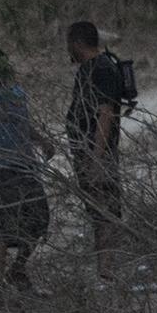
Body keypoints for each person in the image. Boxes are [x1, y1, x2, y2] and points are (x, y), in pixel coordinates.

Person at [0, 48, 56, 290]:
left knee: (39, 219)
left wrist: (41, 140)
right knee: (4, 225)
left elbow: (22, 123)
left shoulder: (15, 92)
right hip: (4, 167)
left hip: (27, 165)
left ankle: (17, 269)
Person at [65, 21, 127, 284]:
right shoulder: (87, 70)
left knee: (107, 208)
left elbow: (106, 113)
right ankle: (104, 267)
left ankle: (108, 268)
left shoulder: (102, 69)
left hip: (97, 154)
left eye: (70, 44)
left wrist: (96, 157)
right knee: (97, 209)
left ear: (78, 44)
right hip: (86, 152)